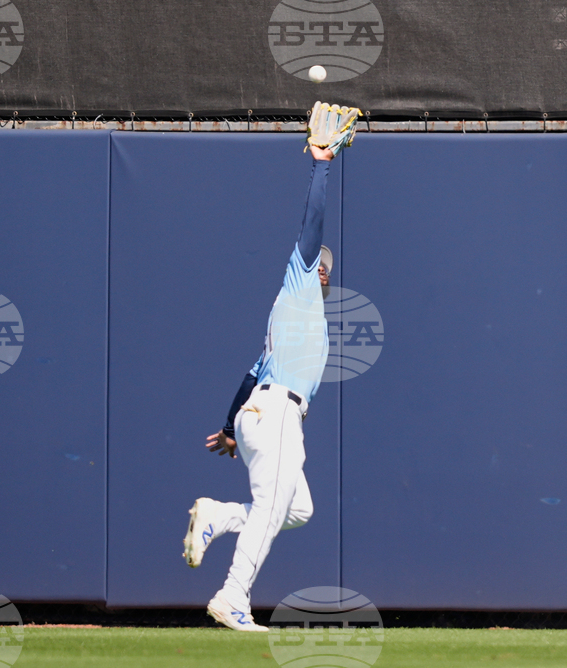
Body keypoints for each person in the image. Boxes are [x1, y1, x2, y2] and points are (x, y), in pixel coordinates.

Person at [181, 103, 359, 631]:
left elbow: (248, 373)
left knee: (295, 509)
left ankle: (215, 516)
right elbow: (313, 223)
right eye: (318, 262)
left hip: (260, 409)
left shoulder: (300, 319)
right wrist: (322, 164)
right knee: (271, 505)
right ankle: (233, 595)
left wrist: (229, 426)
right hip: (277, 412)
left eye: (324, 265)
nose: (321, 266)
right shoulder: (300, 281)